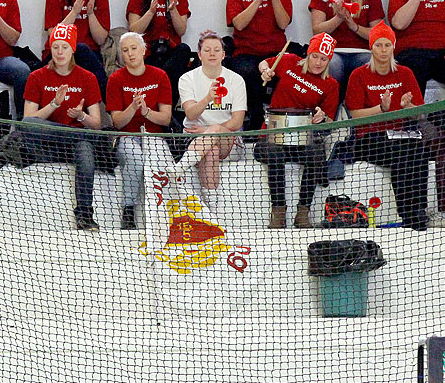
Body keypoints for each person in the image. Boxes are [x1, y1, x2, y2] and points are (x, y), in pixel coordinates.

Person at [345, 21, 429, 231]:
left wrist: (407, 106)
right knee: (401, 153)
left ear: (393, 46)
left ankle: (419, 210)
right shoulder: (359, 75)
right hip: (369, 139)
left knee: (419, 151)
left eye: (387, 45)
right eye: (378, 45)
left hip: (400, 134)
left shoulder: (405, 73)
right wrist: (381, 109)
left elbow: (419, 112)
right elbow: (355, 115)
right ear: (371, 48)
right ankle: (409, 214)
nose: (383, 50)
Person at [22, 24, 103, 230]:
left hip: (76, 145)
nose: (59, 52)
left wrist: (81, 116)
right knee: (28, 125)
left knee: (85, 150)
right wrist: (54, 104)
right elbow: (28, 120)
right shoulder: (36, 76)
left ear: (73, 49)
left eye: (64, 47)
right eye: (56, 47)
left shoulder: (88, 78)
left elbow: (96, 123)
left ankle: (84, 215)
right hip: (47, 145)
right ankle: (74, 134)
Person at [255, 33, 339, 229]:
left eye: (324, 59)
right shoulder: (290, 61)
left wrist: (322, 117)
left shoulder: (331, 85)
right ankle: (278, 211)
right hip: (271, 135)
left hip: (301, 139)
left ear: (329, 61)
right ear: (308, 55)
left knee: (316, 152)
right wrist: (266, 71)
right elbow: (264, 63)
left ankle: (303, 212)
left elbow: (329, 119)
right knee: (274, 152)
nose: (318, 62)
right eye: (315, 56)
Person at [106, 32, 173, 230]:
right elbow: (117, 122)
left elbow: (166, 118)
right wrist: (133, 108)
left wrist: (146, 111)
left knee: (161, 159)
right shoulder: (115, 80)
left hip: (154, 135)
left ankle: (167, 212)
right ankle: (128, 209)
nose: (130, 54)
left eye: (134, 48)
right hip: (127, 136)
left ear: (144, 50)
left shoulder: (160, 76)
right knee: (135, 156)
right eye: (125, 50)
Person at [172, 31, 247, 200]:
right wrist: (207, 98)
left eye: (216, 50)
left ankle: (181, 166)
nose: (212, 54)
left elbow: (237, 122)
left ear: (223, 54)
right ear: (199, 55)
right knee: (211, 151)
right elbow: (190, 114)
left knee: (214, 133)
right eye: (207, 50)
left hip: (228, 139)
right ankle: (212, 206)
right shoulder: (187, 79)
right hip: (194, 138)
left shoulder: (236, 80)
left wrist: (209, 130)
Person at [224, 0, 292, 131]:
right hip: (247, 52)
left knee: (290, 73)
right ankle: (255, 119)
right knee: (246, 72)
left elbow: (283, 23)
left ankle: (283, 120)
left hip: (276, 51)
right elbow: (238, 24)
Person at [309, 0, 385, 105]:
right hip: (333, 51)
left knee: (368, 66)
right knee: (333, 66)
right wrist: (339, 18)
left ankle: (361, 119)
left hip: (362, 51)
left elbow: (377, 35)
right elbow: (317, 31)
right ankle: (331, 117)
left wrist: (354, 26)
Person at [125, 0, 191, 100]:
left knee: (184, 49)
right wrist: (150, 12)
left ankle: (164, 103)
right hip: (148, 52)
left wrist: (173, 10)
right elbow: (134, 30)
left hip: (173, 52)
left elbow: (181, 30)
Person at [43, 0, 110, 92]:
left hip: (90, 54)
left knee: (83, 49)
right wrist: (74, 12)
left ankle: (114, 109)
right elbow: (53, 35)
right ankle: (113, 107)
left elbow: (100, 39)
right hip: (57, 52)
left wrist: (90, 13)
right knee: (79, 47)